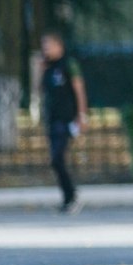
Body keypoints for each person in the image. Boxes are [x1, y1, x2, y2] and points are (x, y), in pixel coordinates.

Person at [35, 33, 87, 213]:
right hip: (52, 118)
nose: (46, 49)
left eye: (49, 45)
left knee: (57, 158)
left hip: (66, 119)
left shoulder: (68, 64)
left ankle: (71, 196)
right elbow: (40, 90)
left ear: (59, 45)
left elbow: (79, 90)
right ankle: (68, 198)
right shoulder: (47, 67)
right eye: (44, 46)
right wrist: (39, 70)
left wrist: (82, 115)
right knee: (56, 160)